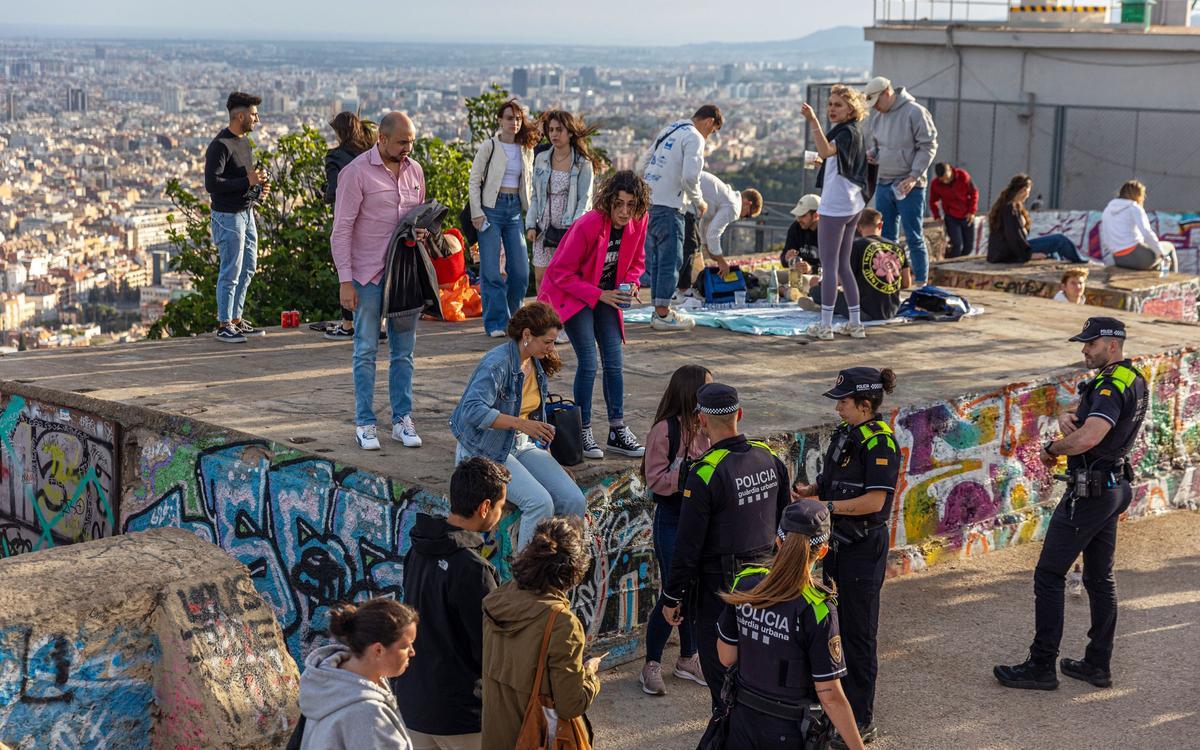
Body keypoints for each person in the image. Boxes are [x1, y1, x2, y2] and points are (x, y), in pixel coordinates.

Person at [995, 317, 1148, 692]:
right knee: (1099, 578)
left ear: (1112, 344)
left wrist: (1051, 449)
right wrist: (1071, 417)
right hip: (1113, 484)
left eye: (1090, 343)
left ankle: (1041, 665)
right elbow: (1090, 420)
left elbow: (1089, 437)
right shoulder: (1131, 377)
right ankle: (1097, 664)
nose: (1083, 349)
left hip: (1092, 493)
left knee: (1049, 575)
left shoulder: (1111, 384)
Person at [658, 383, 791, 712]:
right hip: (768, 584)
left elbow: (687, 547)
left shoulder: (704, 473)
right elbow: (785, 525)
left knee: (722, 682)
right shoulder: (770, 457)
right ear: (740, 415)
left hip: (720, 593)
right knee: (759, 673)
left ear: (701, 421)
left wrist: (673, 597)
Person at [793, 367, 901, 746]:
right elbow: (831, 479)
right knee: (832, 626)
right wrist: (810, 491)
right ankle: (833, 705)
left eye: (843, 401)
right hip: (837, 543)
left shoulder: (881, 442)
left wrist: (826, 505)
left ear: (865, 404)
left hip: (864, 547)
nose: (838, 408)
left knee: (858, 634)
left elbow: (874, 501)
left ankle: (862, 719)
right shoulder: (846, 433)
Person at [716, 501, 866, 750]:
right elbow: (829, 695)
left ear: (778, 541)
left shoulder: (745, 584)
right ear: (824, 551)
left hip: (742, 720)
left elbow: (726, 656)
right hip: (788, 730)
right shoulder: (818, 609)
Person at [449, 301, 587, 551]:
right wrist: (521, 424)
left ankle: (564, 566)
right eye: (547, 341)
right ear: (527, 335)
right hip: (485, 449)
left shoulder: (535, 361)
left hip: (522, 446)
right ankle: (525, 580)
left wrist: (549, 462)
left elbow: (534, 418)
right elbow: (471, 410)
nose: (551, 347)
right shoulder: (497, 363)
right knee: (539, 503)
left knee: (573, 499)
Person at [392, 457, 508, 750]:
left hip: (413, 705)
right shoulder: (473, 569)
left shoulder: (417, 549)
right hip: (460, 715)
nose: (500, 513)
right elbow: (489, 649)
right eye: (500, 506)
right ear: (484, 507)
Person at [331, 112, 427, 451]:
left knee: (404, 351)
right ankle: (365, 422)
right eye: (402, 142)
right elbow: (341, 229)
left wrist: (423, 229)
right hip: (367, 273)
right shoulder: (355, 173)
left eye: (411, 142)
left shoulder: (415, 171)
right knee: (366, 348)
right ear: (382, 139)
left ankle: (402, 418)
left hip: (403, 273)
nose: (407, 148)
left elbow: (412, 218)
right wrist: (345, 280)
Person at [539, 171, 649, 461]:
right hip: (575, 296)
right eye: (619, 204)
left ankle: (616, 429)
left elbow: (637, 261)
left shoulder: (640, 220)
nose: (625, 212)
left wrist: (633, 283)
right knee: (588, 362)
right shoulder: (589, 224)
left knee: (614, 362)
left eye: (631, 205)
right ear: (608, 201)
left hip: (609, 296)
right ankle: (583, 428)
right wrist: (599, 295)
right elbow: (560, 271)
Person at [481, 517, 601, 750]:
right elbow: (570, 704)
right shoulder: (562, 623)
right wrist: (591, 677)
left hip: (494, 736)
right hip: (535, 739)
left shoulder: (501, 597)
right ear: (574, 571)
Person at [639, 364, 713, 697]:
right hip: (671, 517)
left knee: (695, 589)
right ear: (690, 393)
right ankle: (651, 663)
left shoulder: (708, 428)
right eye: (707, 390)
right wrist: (688, 477)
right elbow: (654, 480)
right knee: (673, 591)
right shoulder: (664, 431)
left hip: (699, 517)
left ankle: (688, 658)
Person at [640, 104, 723, 331]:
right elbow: (689, 176)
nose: (710, 135)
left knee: (657, 259)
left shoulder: (671, 128)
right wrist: (699, 201)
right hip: (671, 205)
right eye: (713, 131)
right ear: (709, 122)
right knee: (671, 259)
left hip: (652, 202)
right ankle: (664, 313)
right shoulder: (695, 137)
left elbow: (644, 163)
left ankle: (658, 309)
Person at [298, 598, 419, 750]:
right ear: (378, 650)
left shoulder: (329, 682)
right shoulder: (367, 714)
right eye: (405, 646)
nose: (412, 652)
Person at [802, 84, 870, 340]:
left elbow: (826, 150)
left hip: (836, 205)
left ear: (851, 109)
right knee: (843, 266)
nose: (831, 108)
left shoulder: (844, 132)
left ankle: (826, 325)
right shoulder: (855, 131)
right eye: (830, 104)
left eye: (837, 105)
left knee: (829, 266)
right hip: (853, 204)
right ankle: (855, 323)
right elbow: (835, 158)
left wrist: (813, 121)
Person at [469, 98, 538, 337]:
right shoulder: (490, 146)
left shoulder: (525, 148)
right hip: (491, 208)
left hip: (515, 210)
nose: (514, 123)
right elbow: (475, 178)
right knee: (491, 271)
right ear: (500, 120)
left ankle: (513, 317)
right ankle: (496, 322)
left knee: (520, 270)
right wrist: (476, 211)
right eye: (509, 118)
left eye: (518, 119)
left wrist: (532, 215)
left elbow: (529, 184)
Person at [205, 91, 269, 344]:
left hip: (246, 211)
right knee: (231, 269)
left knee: (249, 267)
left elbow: (241, 181)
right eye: (254, 114)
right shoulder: (219, 146)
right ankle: (223, 323)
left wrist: (257, 189)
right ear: (240, 116)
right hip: (227, 216)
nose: (257, 119)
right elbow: (212, 183)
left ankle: (235, 319)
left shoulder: (243, 142)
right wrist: (247, 180)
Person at [862, 76, 938, 285]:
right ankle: (891, 279)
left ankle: (921, 281)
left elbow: (928, 145)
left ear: (887, 93)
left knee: (913, 235)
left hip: (908, 184)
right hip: (884, 180)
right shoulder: (878, 116)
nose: (876, 107)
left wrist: (914, 175)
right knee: (886, 236)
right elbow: (879, 146)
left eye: (877, 101)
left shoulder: (915, 112)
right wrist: (873, 154)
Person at [525, 109, 597, 293]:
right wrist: (531, 224)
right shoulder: (541, 158)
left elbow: (585, 200)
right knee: (541, 278)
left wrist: (574, 230)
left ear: (570, 133)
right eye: (551, 130)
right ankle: (544, 320)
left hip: (568, 230)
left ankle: (562, 319)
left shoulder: (582, 163)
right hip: (543, 227)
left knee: (564, 279)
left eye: (559, 130)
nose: (554, 134)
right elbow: (536, 195)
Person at [807, 209, 911, 325]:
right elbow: (906, 283)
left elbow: (839, 280)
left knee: (816, 291)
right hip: (892, 311)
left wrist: (819, 282)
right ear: (880, 224)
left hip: (863, 312)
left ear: (858, 227)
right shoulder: (898, 247)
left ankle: (826, 306)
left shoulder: (855, 247)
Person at [324, 111, 376, 340]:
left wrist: (323, 195)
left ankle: (348, 324)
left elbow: (334, 189)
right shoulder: (371, 151)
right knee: (375, 269)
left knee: (347, 269)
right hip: (374, 218)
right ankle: (379, 324)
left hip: (350, 218)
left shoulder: (335, 156)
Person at [986, 174, 1087, 264]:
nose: (1028, 195)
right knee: (1059, 240)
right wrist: (1028, 255)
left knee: (1053, 252)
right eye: (1028, 191)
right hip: (1008, 254)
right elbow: (1013, 236)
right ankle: (1078, 261)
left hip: (1007, 252)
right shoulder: (1009, 208)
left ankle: (1065, 263)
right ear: (1024, 190)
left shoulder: (1010, 205)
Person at [1099, 180, 1178, 272]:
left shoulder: (1107, 210)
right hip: (1138, 258)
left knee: (1155, 257)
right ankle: (1170, 280)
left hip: (1118, 258)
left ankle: (1160, 275)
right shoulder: (1134, 208)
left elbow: (1105, 237)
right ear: (1138, 195)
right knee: (1169, 248)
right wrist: (1161, 253)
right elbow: (1147, 233)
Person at [696, 171, 763, 276]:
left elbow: (705, 224)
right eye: (747, 215)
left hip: (679, 191)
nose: (743, 217)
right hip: (683, 196)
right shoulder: (734, 207)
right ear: (747, 203)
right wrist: (722, 262)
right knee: (688, 250)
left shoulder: (727, 196)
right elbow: (713, 233)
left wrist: (711, 251)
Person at [929, 162, 979, 259]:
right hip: (951, 217)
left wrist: (972, 212)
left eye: (946, 178)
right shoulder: (936, 184)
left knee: (969, 247)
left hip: (967, 215)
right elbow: (933, 201)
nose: (945, 181)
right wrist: (937, 216)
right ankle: (948, 263)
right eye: (942, 179)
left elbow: (974, 193)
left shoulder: (963, 176)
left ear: (950, 170)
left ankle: (961, 266)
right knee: (957, 245)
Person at [780, 193, 821, 272]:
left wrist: (812, 269)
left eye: (802, 215)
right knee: (761, 274)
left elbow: (833, 266)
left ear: (816, 216)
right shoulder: (796, 227)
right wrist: (786, 258)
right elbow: (784, 261)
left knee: (812, 281)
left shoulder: (829, 233)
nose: (798, 219)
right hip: (797, 275)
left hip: (820, 277)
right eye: (797, 215)